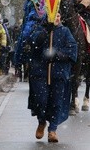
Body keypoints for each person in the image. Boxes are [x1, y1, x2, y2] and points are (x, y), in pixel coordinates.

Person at [28, 13, 77, 143]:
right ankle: (42, 121)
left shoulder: (65, 31)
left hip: (59, 73)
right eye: (54, 15)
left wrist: (57, 55)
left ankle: (52, 130)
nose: (57, 18)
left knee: (56, 102)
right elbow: (34, 44)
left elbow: (72, 50)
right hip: (40, 73)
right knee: (41, 100)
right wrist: (46, 32)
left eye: (59, 15)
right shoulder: (40, 29)